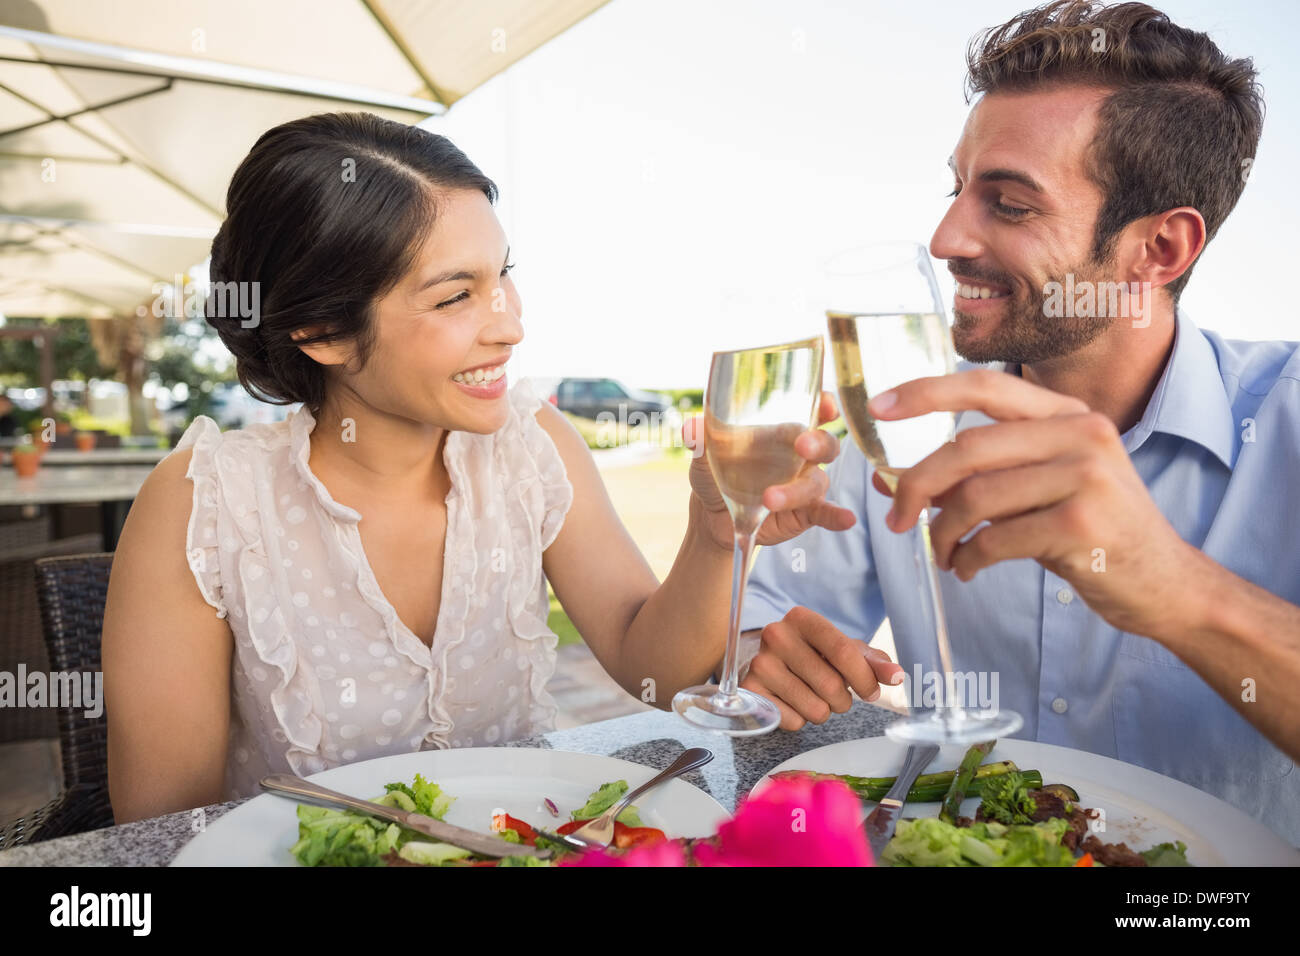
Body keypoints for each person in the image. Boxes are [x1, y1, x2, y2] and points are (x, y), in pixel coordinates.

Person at [102, 112, 901, 824]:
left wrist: (714, 534)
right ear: (322, 332)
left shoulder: (532, 446)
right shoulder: (204, 505)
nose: (509, 325)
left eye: (504, 276)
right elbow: (164, 825)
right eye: (456, 297)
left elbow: (652, 670)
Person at [728, 0, 1300, 844]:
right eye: (957, 189)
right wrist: (759, 648)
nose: (947, 236)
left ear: (1161, 250)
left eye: (1010, 204)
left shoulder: (1284, 419)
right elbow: (758, 619)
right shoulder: (911, 422)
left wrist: (1174, 587)